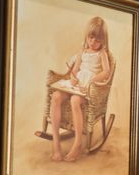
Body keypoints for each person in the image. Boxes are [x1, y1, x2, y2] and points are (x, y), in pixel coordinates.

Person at [45, 16, 114, 162]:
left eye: (98, 40)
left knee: (75, 100)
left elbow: (106, 72)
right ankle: (56, 143)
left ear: (103, 40)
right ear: (87, 36)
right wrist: (74, 77)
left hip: (89, 87)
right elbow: (74, 70)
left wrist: (92, 80)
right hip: (77, 84)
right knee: (56, 96)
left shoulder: (102, 53)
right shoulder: (82, 51)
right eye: (91, 38)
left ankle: (77, 143)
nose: (93, 42)